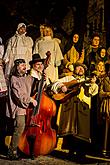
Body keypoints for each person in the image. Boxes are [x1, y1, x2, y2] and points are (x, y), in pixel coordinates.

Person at [6, 59, 37, 160]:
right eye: (21, 66)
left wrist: (42, 79)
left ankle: (17, 150)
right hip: (18, 107)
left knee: (21, 128)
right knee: (19, 128)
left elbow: (34, 86)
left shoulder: (28, 77)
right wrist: (30, 99)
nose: (24, 67)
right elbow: (18, 95)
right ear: (17, 68)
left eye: (24, 65)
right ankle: (12, 151)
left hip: (26, 107)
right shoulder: (14, 78)